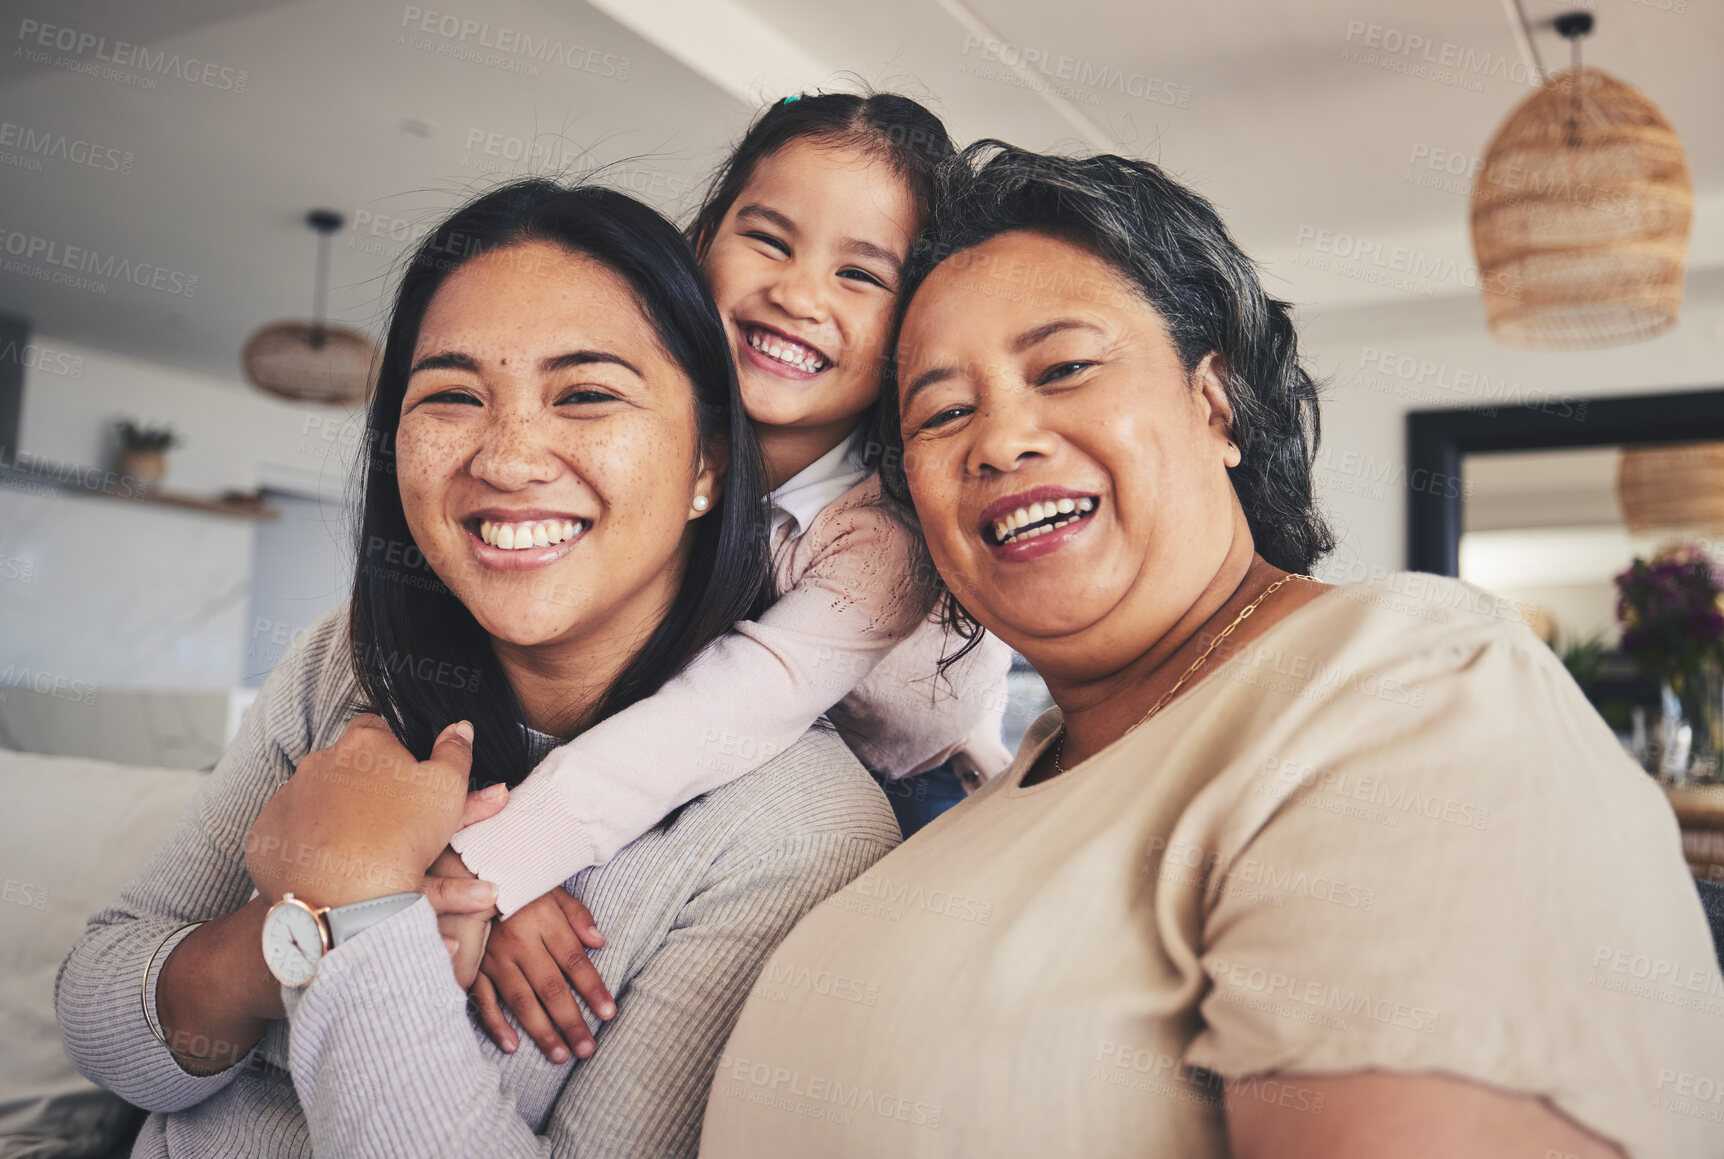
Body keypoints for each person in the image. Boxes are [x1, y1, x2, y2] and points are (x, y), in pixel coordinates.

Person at [699, 143, 1724, 1158]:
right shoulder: (991, 786)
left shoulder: (1401, 685)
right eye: (943, 411)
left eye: (1062, 368)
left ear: (1213, 401)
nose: (999, 440)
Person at [55, 178, 899, 1158]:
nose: (506, 457)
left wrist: (367, 913)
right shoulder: (344, 660)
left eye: (584, 394)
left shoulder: (797, 829)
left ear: (708, 459)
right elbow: (104, 1030)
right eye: (452, 395)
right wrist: (299, 930)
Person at [444, 92, 1014, 1067]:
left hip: (906, 779)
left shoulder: (885, 536)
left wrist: (484, 867)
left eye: (858, 274)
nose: (799, 293)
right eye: (768, 239)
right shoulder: (644, 431)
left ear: (915, 328)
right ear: (701, 241)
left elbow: (721, 713)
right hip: (691, 735)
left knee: (858, 1017)